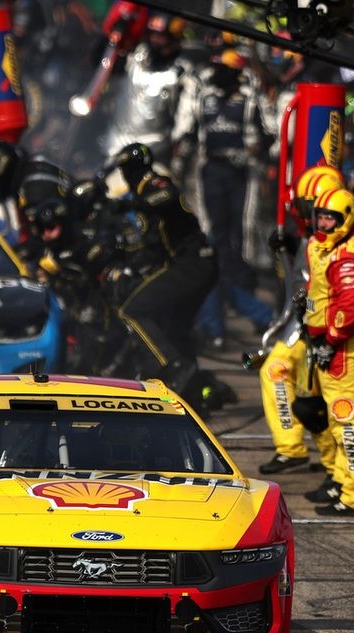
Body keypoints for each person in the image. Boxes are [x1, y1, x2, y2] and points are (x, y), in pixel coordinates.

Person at [104, 142, 220, 409]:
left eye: (126, 171)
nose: (125, 177)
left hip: (192, 264)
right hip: (194, 266)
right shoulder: (142, 198)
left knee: (133, 310)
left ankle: (171, 366)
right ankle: (196, 387)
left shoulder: (155, 184)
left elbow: (166, 196)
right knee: (174, 324)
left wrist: (127, 204)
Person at [172, 48, 274, 349]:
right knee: (212, 242)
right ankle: (235, 311)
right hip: (209, 172)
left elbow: (270, 132)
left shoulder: (250, 94)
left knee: (239, 241)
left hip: (242, 173)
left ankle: (247, 304)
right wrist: (178, 170)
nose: (222, 75)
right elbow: (187, 134)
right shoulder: (201, 93)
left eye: (228, 69)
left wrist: (257, 149)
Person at [257, 165, 343, 478]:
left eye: (307, 205)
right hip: (307, 329)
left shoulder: (341, 243)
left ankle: (336, 466)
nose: (302, 212)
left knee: (323, 402)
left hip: (330, 331)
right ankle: (293, 449)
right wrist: (288, 251)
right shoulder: (313, 237)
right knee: (278, 374)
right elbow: (298, 280)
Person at [302, 188, 354, 517]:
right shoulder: (327, 246)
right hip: (330, 345)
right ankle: (341, 480)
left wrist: (330, 340)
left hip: (345, 348)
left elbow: (349, 306)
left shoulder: (347, 255)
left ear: (346, 218)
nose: (323, 223)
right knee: (329, 417)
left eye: (330, 218)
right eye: (320, 216)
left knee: (348, 421)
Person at [100, 12, 192, 162]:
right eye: (152, 34)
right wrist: (117, 29)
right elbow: (102, 60)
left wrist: (176, 145)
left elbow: (185, 119)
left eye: (161, 36)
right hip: (116, 146)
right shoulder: (133, 58)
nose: (155, 40)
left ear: (174, 39)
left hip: (155, 152)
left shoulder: (181, 74)